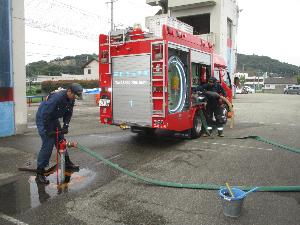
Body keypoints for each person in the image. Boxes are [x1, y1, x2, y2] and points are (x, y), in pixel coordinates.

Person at [35, 83, 83, 184]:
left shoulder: (71, 98)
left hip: (53, 118)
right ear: (69, 91)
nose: (75, 97)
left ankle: (67, 162)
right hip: (43, 118)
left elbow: (69, 112)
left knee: (61, 140)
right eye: (74, 95)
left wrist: (65, 125)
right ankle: (40, 172)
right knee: (48, 143)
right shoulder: (56, 98)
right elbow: (46, 114)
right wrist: (48, 130)